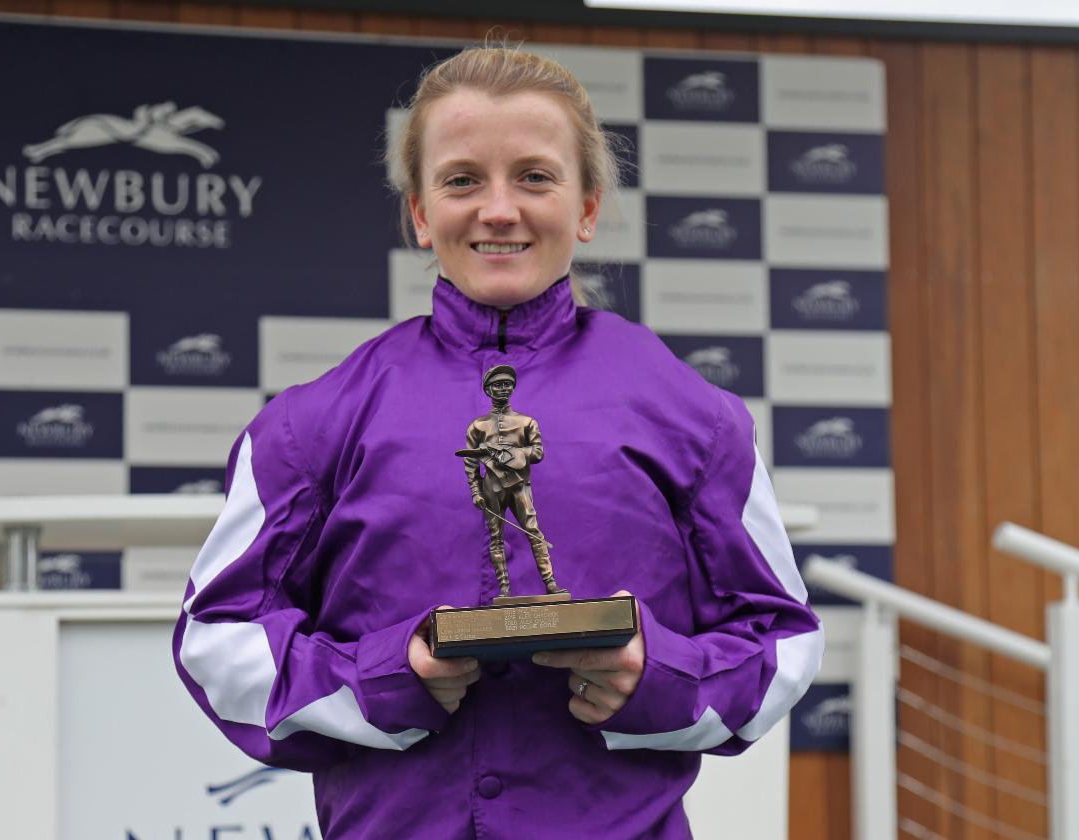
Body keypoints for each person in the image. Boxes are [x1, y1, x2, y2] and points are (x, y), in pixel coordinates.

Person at [174, 43, 823, 839]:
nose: (499, 209)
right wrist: (385, 678)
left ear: (587, 206)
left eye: (535, 176)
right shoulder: (314, 422)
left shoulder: (696, 417)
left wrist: (657, 679)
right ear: (419, 211)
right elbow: (215, 640)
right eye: (461, 180)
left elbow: (783, 643)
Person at [461, 363, 565, 597]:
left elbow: (538, 453)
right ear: (488, 390)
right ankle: (504, 589)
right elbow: (470, 463)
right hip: (492, 488)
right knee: (496, 537)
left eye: (507, 384)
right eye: (498, 385)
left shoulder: (527, 422)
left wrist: (516, 454)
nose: (503, 389)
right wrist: (476, 491)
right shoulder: (477, 426)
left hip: (520, 486)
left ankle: (550, 583)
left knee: (533, 531)